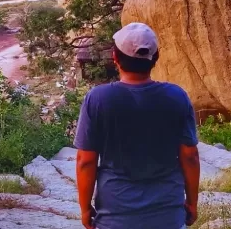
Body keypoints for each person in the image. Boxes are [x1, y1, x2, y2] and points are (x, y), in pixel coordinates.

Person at [74, 22, 201, 229]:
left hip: (115, 216)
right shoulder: (176, 96)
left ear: (115, 58)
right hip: (167, 215)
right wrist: (192, 203)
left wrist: (85, 208)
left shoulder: (98, 99)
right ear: (155, 58)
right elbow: (190, 156)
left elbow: (86, 161)